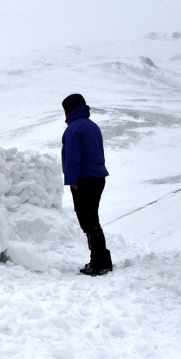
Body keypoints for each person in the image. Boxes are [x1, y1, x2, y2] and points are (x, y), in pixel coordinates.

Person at [61, 93, 112, 275]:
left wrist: (73, 181)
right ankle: (102, 259)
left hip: (84, 180)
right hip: (97, 178)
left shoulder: (74, 129)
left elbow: (73, 158)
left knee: (88, 221)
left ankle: (99, 262)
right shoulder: (92, 126)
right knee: (92, 219)